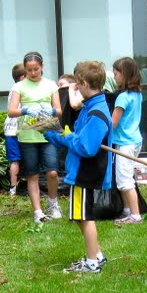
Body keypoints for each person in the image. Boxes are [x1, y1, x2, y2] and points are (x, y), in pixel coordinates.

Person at [44, 61, 113, 274]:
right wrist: (52, 135)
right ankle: (97, 254)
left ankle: (92, 263)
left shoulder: (97, 113)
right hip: (81, 171)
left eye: (76, 84)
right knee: (79, 215)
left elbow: (86, 147)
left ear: (83, 83)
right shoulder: (89, 107)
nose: (74, 88)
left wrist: (67, 137)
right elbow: (75, 137)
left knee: (84, 216)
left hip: (87, 172)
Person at [7, 51, 62, 223]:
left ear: (42, 66)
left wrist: (51, 111)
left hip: (48, 134)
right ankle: (38, 211)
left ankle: (53, 203)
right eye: (29, 70)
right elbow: (11, 111)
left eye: (36, 69)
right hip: (27, 136)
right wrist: (25, 110)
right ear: (25, 69)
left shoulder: (51, 85)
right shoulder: (19, 87)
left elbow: (59, 111)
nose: (33, 72)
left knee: (52, 172)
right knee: (32, 174)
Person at [111, 57, 144, 224]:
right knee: (124, 177)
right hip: (135, 141)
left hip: (125, 144)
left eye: (116, 74)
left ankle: (135, 216)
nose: (114, 77)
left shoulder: (122, 97)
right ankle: (127, 210)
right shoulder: (137, 94)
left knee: (125, 180)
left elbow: (113, 123)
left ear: (124, 75)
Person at [4, 63, 25, 196]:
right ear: (22, 77)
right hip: (19, 129)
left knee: (14, 159)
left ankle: (13, 187)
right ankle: (15, 186)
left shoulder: (13, 89)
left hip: (10, 129)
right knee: (19, 159)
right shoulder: (20, 89)